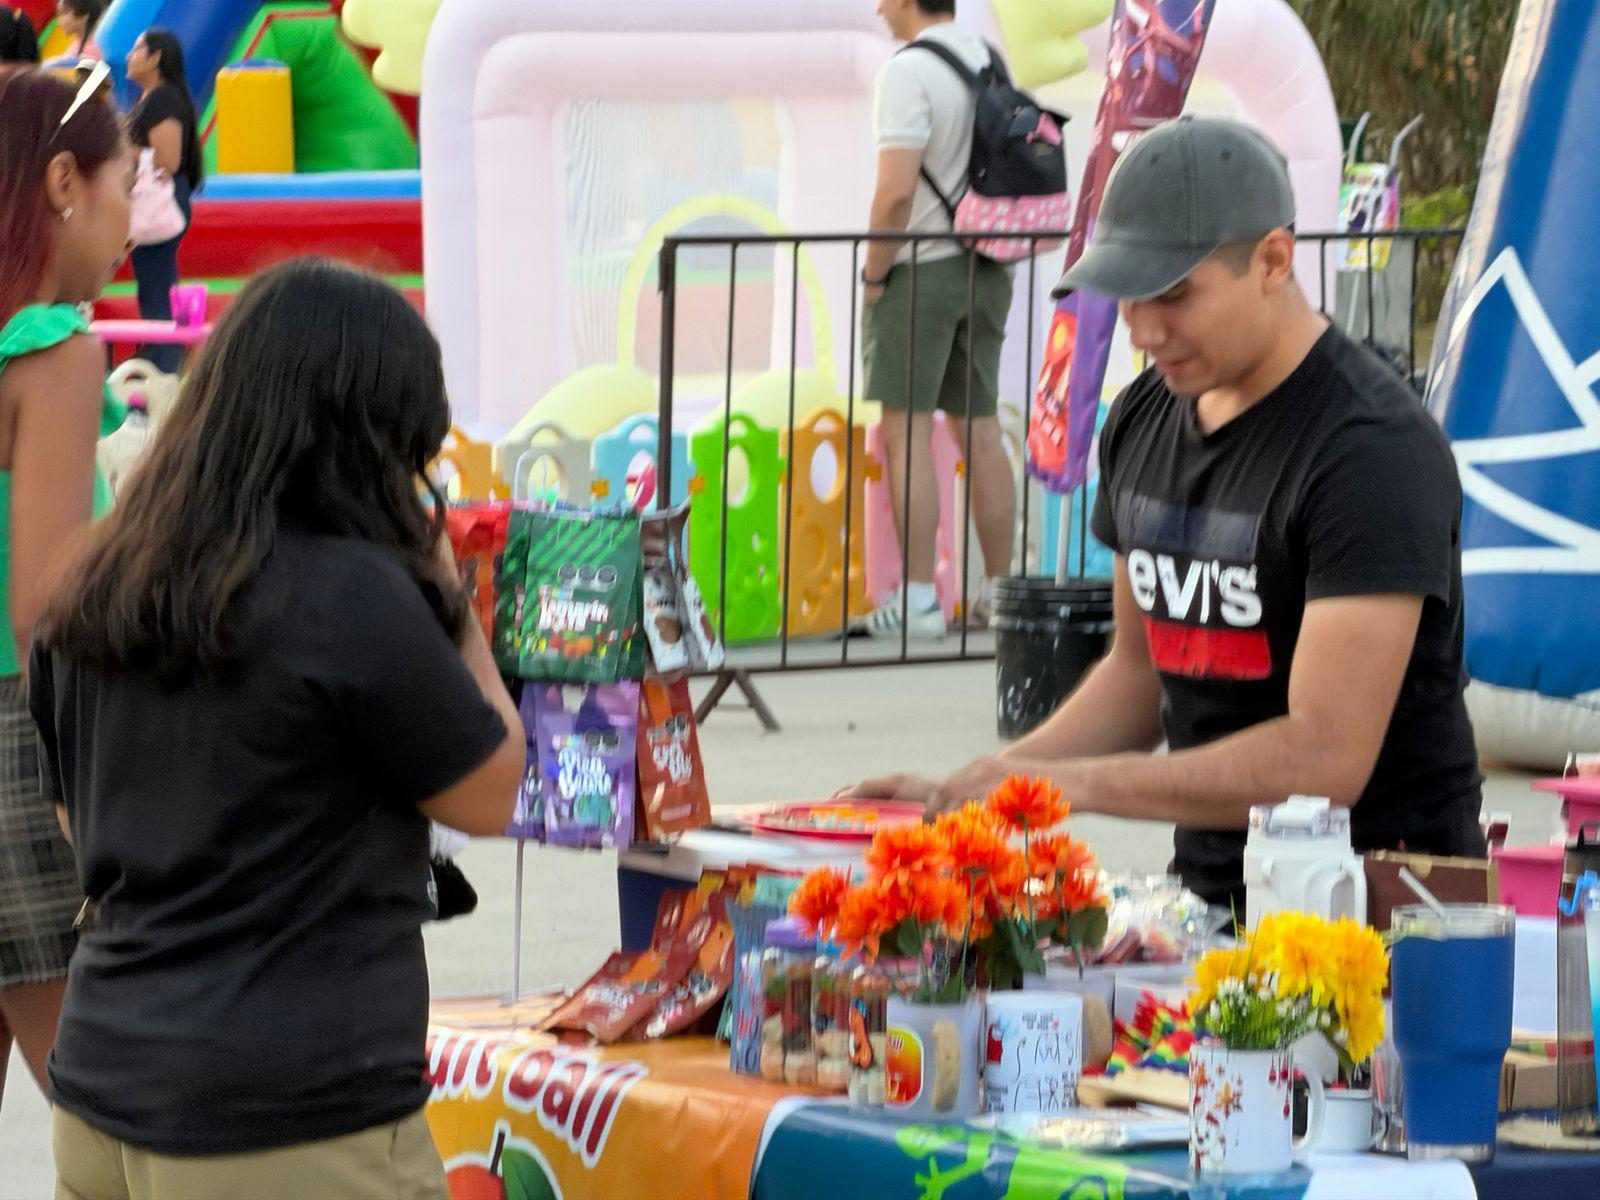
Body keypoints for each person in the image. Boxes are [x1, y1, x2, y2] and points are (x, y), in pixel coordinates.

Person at [846, 116, 1485, 912]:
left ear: (1272, 261)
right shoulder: (1143, 416)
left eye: (1176, 294)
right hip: (1210, 903)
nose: (1145, 331)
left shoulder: (1371, 449)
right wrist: (973, 791)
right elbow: (1137, 672)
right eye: (1129, 296)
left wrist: (1059, 783)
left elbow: (1324, 758)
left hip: (1386, 917)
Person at [32, 258, 524, 1199]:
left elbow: (76, 823)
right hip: (282, 1114)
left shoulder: (96, 582)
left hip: (102, 1090)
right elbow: (492, 786)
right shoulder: (353, 593)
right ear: (367, 436)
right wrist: (453, 607)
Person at [0, 62, 128, 1124]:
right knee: (99, 1097)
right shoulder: (58, 354)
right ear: (60, 186)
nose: (135, 218)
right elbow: (45, 599)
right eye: (123, 186)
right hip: (22, 731)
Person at [856, 0, 1016, 639]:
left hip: (922, 269)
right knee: (980, 431)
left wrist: (873, 273)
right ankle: (1000, 595)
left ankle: (919, 600)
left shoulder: (907, 72)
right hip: (989, 267)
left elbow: (895, 193)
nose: (876, 8)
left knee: (907, 432)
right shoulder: (989, 61)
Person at [124, 27, 200, 374]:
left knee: (157, 282)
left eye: (137, 50)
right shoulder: (151, 98)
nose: (129, 56)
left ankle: (164, 360)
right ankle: (162, 353)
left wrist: (121, 148)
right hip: (160, 200)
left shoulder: (163, 99)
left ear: (155, 58)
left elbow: (167, 160)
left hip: (161, 201)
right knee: (155, 280)